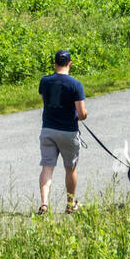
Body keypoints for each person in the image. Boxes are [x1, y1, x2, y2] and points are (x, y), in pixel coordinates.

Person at [37, 49, 86, 215]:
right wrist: (81, 115)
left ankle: (44, 204)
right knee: (70, 169)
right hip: (68, 131)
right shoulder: (75, 85)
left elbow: (46, 102)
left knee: (47, 167)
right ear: (69, 64)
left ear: (55, 64)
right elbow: (81, 114)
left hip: (48, 129)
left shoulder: (45, 81)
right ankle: (69, 205)